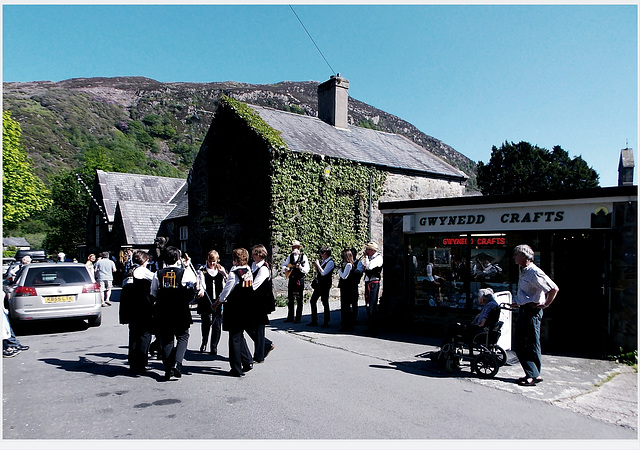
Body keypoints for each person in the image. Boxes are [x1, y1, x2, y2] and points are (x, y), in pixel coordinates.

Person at [513, 244, 559, 387]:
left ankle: (533, 375)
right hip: (524, 309)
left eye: (516, 254)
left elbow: (553, 288)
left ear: (523, 256)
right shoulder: (524, 271)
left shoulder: (534, 272)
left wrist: (545, 304)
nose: (514, 257)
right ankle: (531, 373)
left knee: (531, 343)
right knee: (520, 343)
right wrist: (518, 302)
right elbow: (529, 293)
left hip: (532, 311)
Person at [150, 246, 197, 381]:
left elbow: (153, 292)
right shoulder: (184, 272)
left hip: (163, 310)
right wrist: (187, 266)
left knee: (166, 340)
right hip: (180, 309)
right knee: (183, 336)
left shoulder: (157, 273)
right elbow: (194, 284)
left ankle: (168, 369)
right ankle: (177, 362)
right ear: (178, 258)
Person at [214, 248, 254, 377]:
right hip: (246, 306)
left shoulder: (233, 273)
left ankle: (236, 368)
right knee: (239, 335)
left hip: (234, 307)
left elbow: (226, 291)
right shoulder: (248, 271)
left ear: (236, 260)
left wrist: (217, 302)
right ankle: (247, 360)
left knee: (234, 338)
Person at [441, 288, 500, 355]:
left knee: (452, 329)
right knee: (454, 327)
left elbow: (482, 323)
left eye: (479, 297)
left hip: (477, 332)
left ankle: (445, 351)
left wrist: (472, 325)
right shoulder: (493, 304)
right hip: (483, 330)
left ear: (483, 298)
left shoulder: (489, 306)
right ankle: (446, 350)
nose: (478, 298)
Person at [126, 251, 155, 375]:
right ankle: (141, 363)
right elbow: (156, 278)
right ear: (144, 260)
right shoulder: (142, 271)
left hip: (131, 306)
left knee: (134, 335)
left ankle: (133, 362)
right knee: (145, 335)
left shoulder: (130, 270)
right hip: (143, 306)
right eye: (147, 260)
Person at [196, 250, 227, 355]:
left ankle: (214, 346)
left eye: (214, 261)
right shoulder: (202, 271)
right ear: (207, 260)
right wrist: (200, 291)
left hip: (218, 300)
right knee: (205, 323)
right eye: (210, 261)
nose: (212, 263)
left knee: (217, 324)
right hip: (206, 300)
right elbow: (201, 284)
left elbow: (227, 283)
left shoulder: (221, 270)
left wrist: (224, 273)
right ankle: (204, 342)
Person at [248, 245, 275, 363]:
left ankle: (259, 356)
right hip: (254, 301)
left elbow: (254, 285)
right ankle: (266, 344)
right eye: (253, 253)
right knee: (249, 326)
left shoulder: (263, 268)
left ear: (260, 254)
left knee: (259, 328)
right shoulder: (253, 266)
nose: (252, 255)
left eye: (255, 253)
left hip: (261, 302)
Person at [282, 240, 309, 323]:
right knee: (290, 299)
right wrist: (286, 269)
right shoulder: (290, 257)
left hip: (299, 280)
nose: (294, 249)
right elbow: (284, 265)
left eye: (296, 247)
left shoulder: (303, 257)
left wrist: (300, 268)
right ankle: (290, 317)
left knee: (299, 299)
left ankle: (298, 318)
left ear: (298, 248)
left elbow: (307, 269)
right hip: (292, 279)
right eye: (293, 247)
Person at [307, 246, 335, 327]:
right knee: (313, 300)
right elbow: (319, 272)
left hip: (325, 285)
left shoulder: (330, 262)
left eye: (322, 253)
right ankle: (314, 320)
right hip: (319, 284)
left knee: (324, 302)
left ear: (326, 253)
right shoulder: (323, 261)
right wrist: (316, 267)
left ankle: (326, 321)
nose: (321, 255)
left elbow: (324, 273)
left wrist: (318, 265)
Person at [337, 249, 358, 332]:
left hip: (347, 288)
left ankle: (348, 325)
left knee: (346, 307)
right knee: (345, 307)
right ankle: (345, 324)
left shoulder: (349, 265)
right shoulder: (347, 264)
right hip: (345, 288)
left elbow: (344, 276)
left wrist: (339, 269)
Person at [362, 241, 383, 325]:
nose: (366, 251)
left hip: (374, 282)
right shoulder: (370, 258)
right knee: (367, 303)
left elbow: (369, 267)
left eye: (367, 249)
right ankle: (370, 323)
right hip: (368, 281)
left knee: (372, 304)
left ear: (372, 250)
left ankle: (373, 326)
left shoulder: (378, 258)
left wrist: (366, 258)